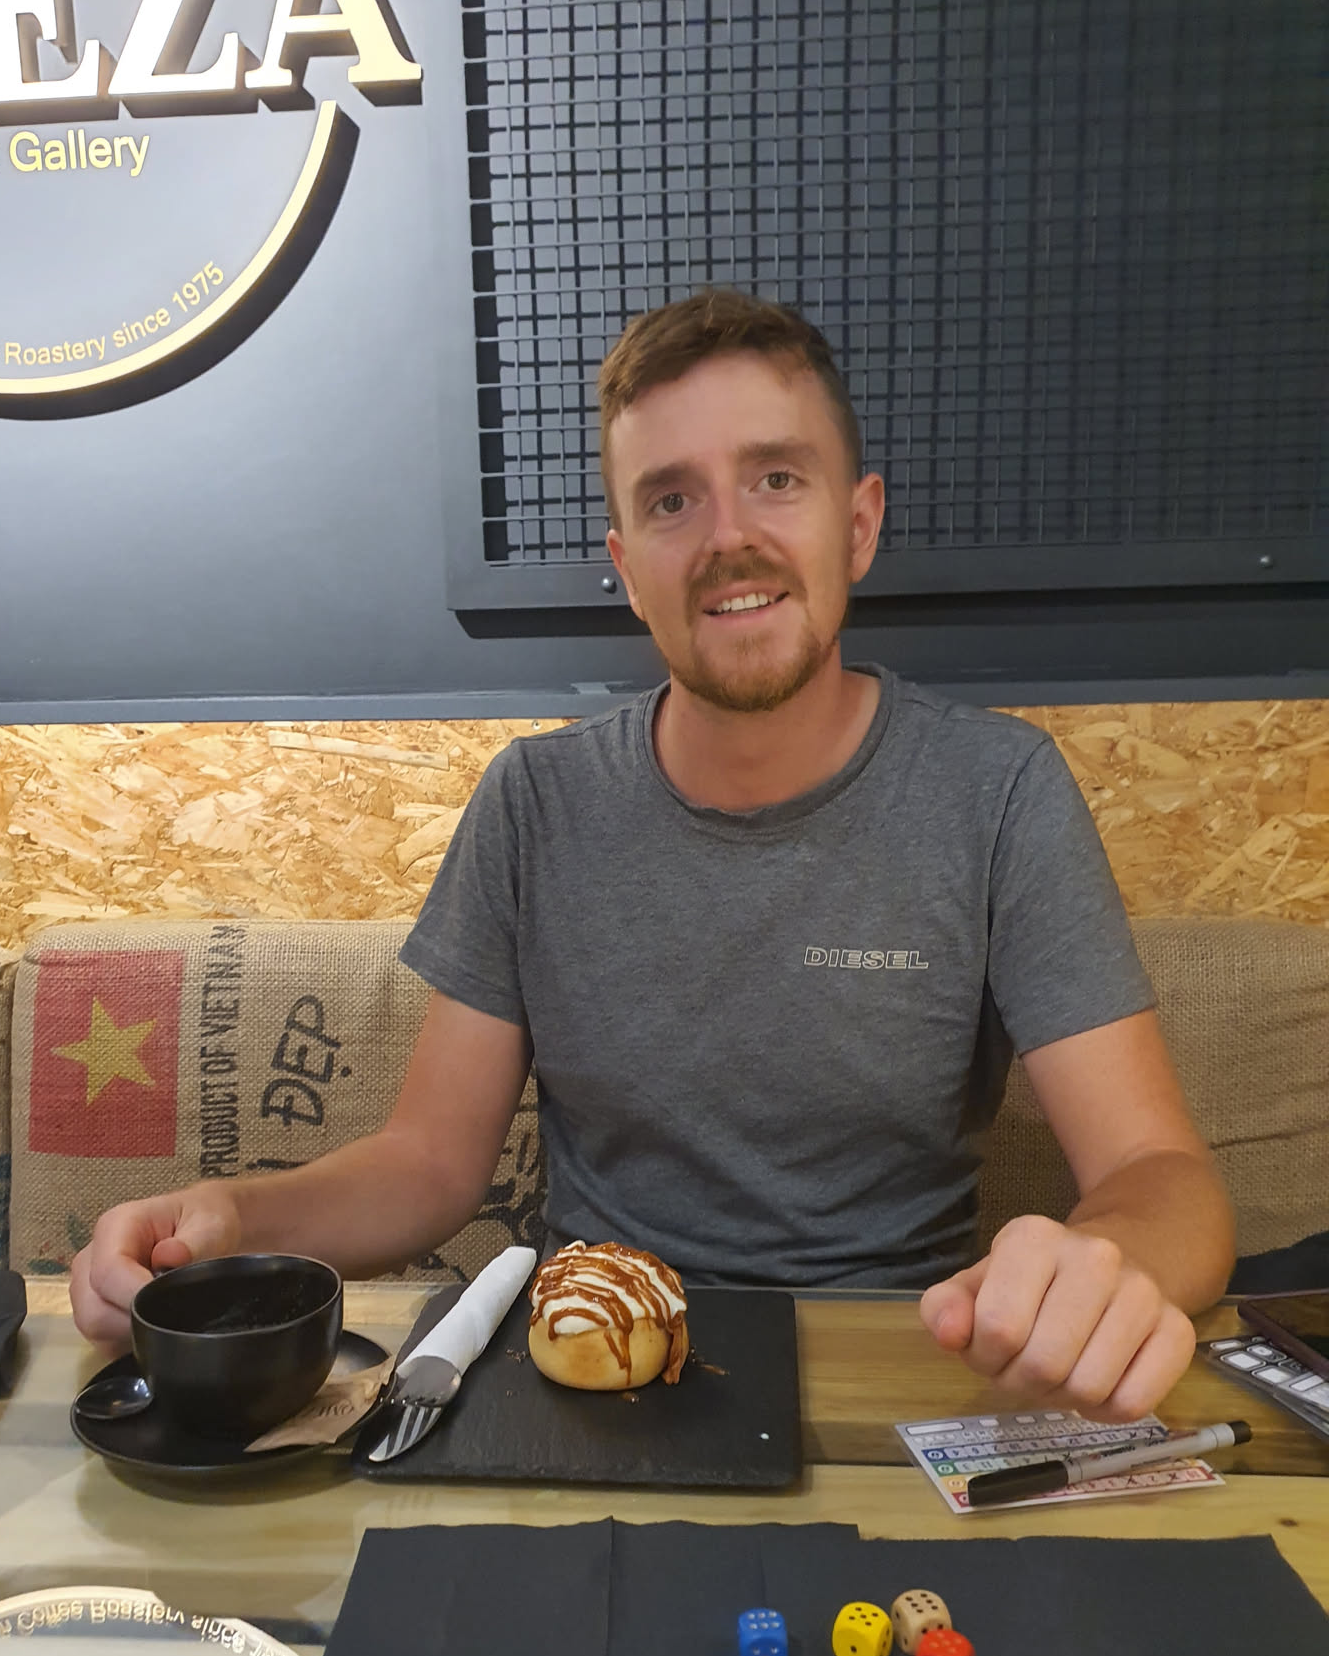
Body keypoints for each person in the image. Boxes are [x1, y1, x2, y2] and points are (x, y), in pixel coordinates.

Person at [71, 290, 1234, 1421]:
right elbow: (428, 1165)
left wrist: (1109, 1266)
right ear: (628, 570)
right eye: (673, 500)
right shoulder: (534, 804)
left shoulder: (997, 793)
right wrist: (230, 1219)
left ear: (858, 524)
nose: (729, 537)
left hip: (894, 1375)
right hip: (591, 1380)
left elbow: (1163, 1177)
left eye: (776, 479)